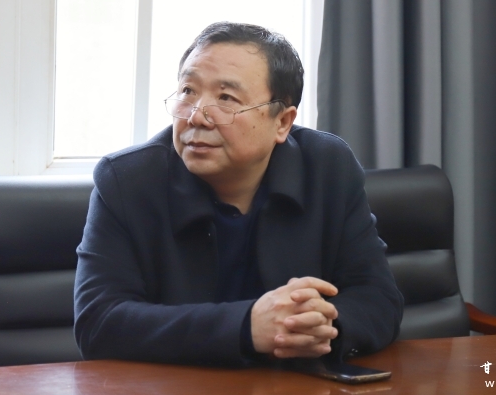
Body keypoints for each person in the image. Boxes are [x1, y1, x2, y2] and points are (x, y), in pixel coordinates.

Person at [74, 22, 403, 366]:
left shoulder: (327, 166)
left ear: (282, 122)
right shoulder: (127, 181)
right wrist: (246, 327)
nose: (197, 116)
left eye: (226, 98)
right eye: (188, 91)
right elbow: (99, 322)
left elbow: (378, 297)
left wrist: (318, 327)